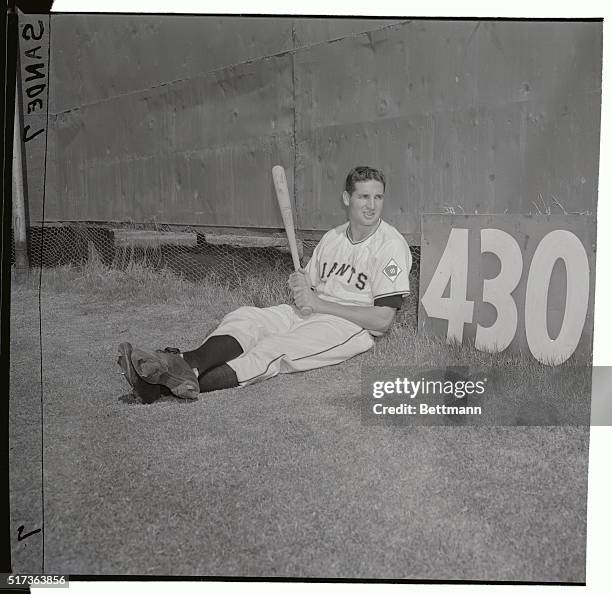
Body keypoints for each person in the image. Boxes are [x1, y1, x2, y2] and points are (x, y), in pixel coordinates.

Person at [117, 166, 412, 401]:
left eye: (378, 197)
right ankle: (184, 364)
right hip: (308, 312)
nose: (372, 206)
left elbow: (383, 320)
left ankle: (159, 385)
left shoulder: (390, 245)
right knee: (246, 318)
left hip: (347, 326)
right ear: (347, 199)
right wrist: (300, 283)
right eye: (364, 197)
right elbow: (308, 284)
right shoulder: (333, 237)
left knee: (274, 348)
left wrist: (318, 302)